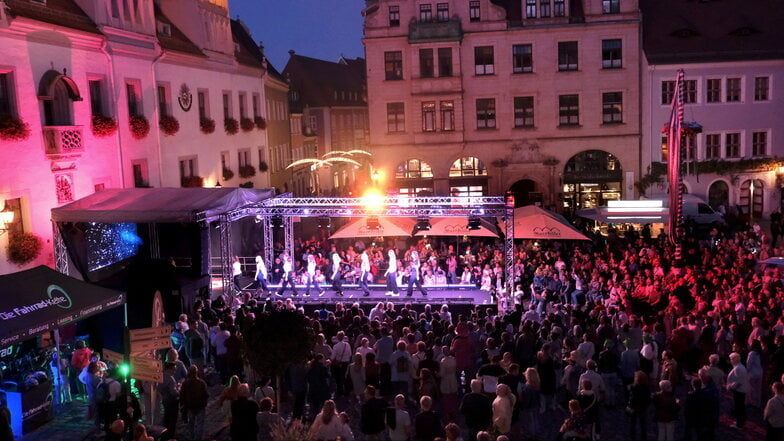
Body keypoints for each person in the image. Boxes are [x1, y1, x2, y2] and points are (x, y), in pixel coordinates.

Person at [180, 365, 209, 441]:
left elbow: (182, 395)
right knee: (200, 424)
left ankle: (191, 437)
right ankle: (198, 438)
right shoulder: (201, 383)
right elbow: (206, 394)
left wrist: (183, 405)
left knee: (191, 424)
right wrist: (204, 402)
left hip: (190, 406)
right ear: (197, 372)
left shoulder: (185, 383)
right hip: (200, 406)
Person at [727, 352, 749, 428]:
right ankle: (740, 421)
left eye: (731, 359)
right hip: (741, 390)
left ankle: (739, 424)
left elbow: (738, 382)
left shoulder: (738, 368)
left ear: (734, 360)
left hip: (739, 391)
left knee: (739, 407)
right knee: (740, 406)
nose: (730, 361)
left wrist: (731, 388)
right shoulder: (740, 367)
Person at [158, 362, 180, 440]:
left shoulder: (161, 376)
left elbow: (159, 388)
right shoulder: (171, 379)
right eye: (174, 369)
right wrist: (179, 390)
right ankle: (171, 436)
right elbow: (173, 392)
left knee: (166, 418)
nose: (175, 371)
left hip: (165, 400)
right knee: (173, 420)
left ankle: (164, 434)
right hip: (172, 401)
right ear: (170, 369)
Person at [627, 371, 651, 441]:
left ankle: (632, 437)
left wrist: (629, 405)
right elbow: (648, 399)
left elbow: (631, 398)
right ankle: (644, 438)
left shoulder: (634, 387)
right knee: (643, 424)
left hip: (634, 407)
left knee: (632, 424)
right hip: (643, 408)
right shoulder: (646, 388)